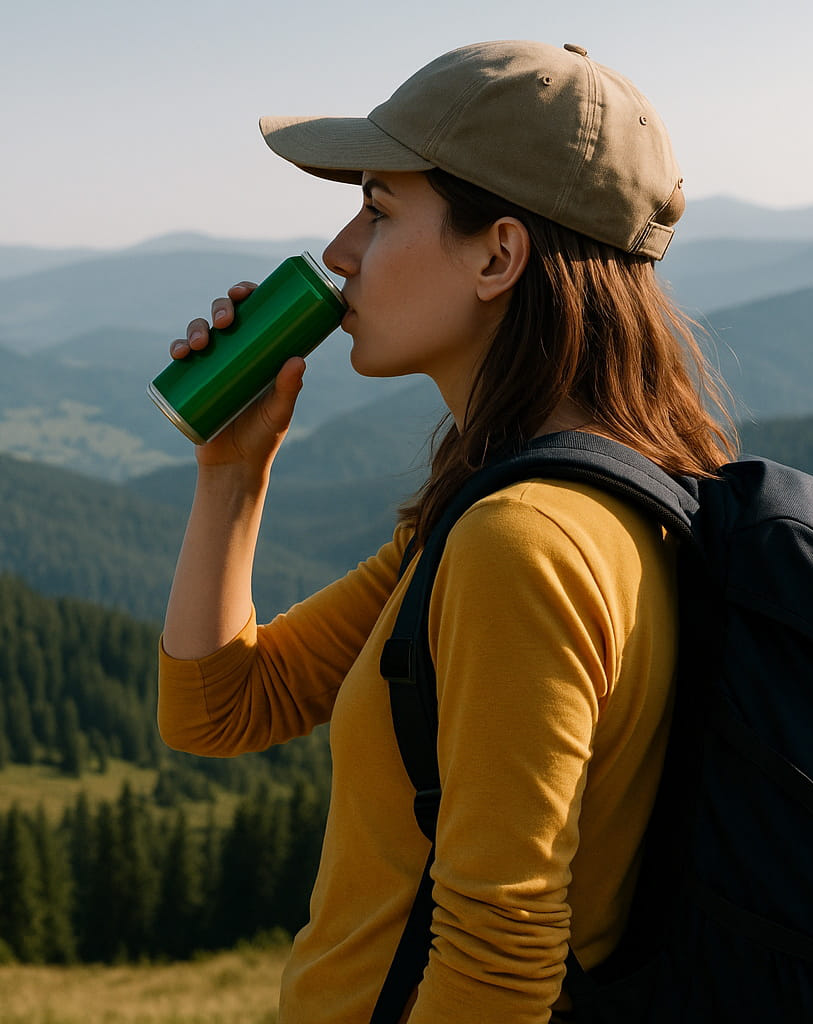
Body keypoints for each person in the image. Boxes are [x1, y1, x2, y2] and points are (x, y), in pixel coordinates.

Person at [157, 40, 736, 1023]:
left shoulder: (523, 544)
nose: (340, 251)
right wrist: (232, 476)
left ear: (499, 255)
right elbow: (223, 707)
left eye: (379, 210)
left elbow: (498, 967)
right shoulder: (561, 502)